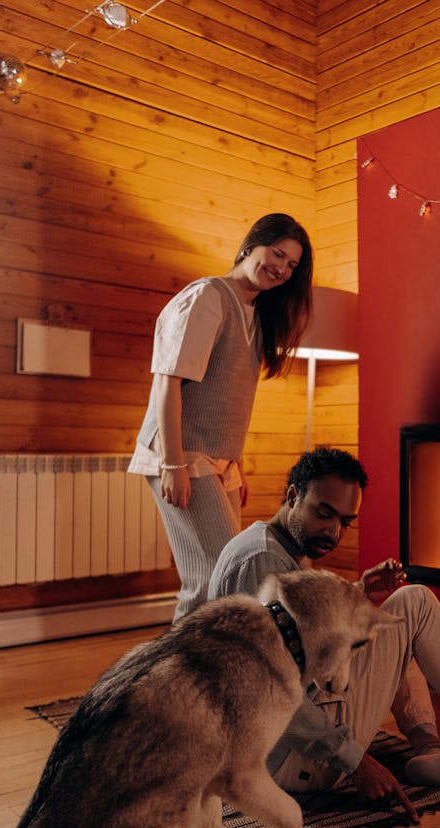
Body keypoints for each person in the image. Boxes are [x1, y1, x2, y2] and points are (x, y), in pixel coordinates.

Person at [208, 447, 440, 819]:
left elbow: (304, 636)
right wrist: (357, 763)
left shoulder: (270, 545)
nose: (333, 531)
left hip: (279, 742)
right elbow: (272, 694)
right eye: (323, 513)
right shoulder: (265, 563)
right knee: (413, 604)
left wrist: (359, 593)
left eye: (345, 521)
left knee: (391, 618)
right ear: (293, 496)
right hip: (286, 761)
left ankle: (429, 750)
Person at [129, 213, 313, 620]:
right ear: (252, 245)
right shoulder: (208, 297)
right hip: (182, 454)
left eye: (291, 265)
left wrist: (236, 464)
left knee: (224, 578)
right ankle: (171, 678)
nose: (281, 268)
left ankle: (206, 676)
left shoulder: (256, 314)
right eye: (277, 254)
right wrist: (172, 463)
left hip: (219, 463)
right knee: (212, 576)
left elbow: (226, 399)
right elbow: (168, 383)